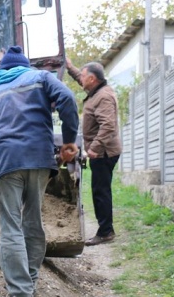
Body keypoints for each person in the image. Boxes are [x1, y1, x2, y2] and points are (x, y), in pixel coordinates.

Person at [0, 46, 79, 296]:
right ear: (24, 67)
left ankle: (20, 291)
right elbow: (68, 99)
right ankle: (30, 280)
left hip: (7, 162)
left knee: (10, 227)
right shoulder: (41, 77)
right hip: (40, 159)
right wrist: (70, 140)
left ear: (2, 69)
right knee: (33, 221)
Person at [66, 58, 122, 246]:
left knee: (101, 192)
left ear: (91, 79)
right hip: (101, 150)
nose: (80, 79)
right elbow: (80, 77)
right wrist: (69, 66)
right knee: (99, 190)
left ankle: (106, 232)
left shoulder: (103, 97)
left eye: (82, 76)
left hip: (104, 152)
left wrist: (94, 149)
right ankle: (105, 230)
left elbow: (108, 126)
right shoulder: (96, 90)